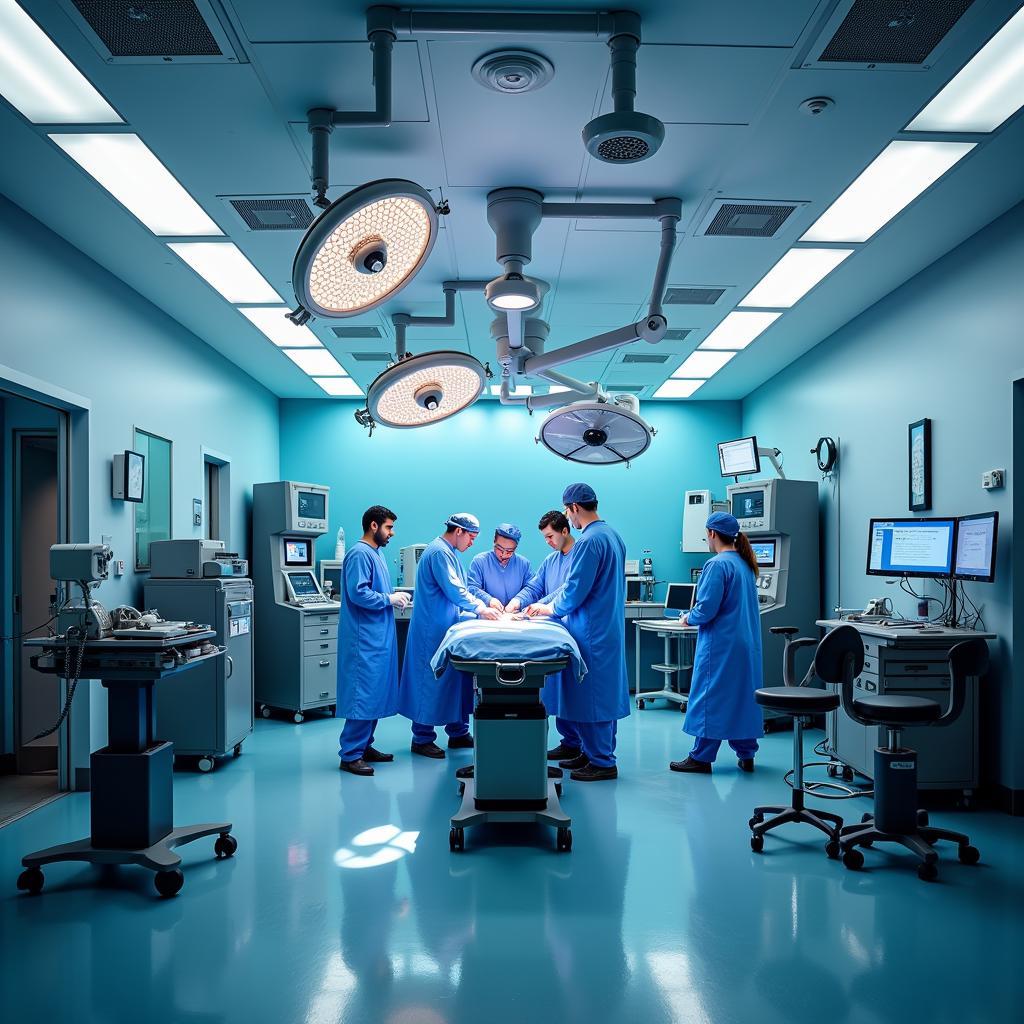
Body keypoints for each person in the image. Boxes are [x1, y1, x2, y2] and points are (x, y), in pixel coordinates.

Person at [527, 484, 628, 781]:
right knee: (600, 696)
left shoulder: (587, 541)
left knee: (593, 697)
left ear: (572, 508)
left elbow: (574, 590)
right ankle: (590, 752)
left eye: (566, 511)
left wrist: (548, 609)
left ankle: (602, 762)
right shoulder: (613, 536)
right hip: (605, 627)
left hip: (591, 631)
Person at [398, 513, 501, 758]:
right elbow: (455, 590)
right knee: (430, 683)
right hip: (431, 631)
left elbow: (461, 589)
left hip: (447, 627)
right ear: (458, 531)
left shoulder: (450, 554)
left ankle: (458, 733)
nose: (472, 543)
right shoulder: (438, 553)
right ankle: (421, 738)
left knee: (455, 681)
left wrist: (479, 608)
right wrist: (480, 609)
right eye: (472, 538)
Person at [670, 510, 764, 774]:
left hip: (721, 646)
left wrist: (687, 617)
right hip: (745, 646)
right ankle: (746, 754)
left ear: (711, 534)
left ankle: (701, 757)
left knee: (711, 698)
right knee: (742, 698)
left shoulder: (717, 564)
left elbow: (706, 609)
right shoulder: (745, 565)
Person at [337, 505, 410, 776]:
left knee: (375, 693)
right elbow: (358, 594)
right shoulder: (359, 554)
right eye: (389, 527)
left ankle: (365, 746)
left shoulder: (376, 554)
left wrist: (393, 596)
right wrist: (388, 599)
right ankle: (350, 754)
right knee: (363, 695)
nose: (392, 533)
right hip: (363, 639)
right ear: (374, 526)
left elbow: (375, 590)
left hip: (377, 636)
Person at [507, 510, 581, 760]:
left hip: (574, 630)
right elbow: (535, 587)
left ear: (564, 530)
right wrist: (518, 601)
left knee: (575, 692)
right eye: (545, 538)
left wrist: (542, 608)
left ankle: (580, 743)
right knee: (558, 690)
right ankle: (569, 741)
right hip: (553, 633)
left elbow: (565, 590)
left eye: (550, 536)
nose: (548, 542)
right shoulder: (551, 560)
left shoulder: (580, 555)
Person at [468, 523, 532, 611]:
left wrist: (518, 601)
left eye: (509, 551)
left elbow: (531, 590)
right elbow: (472, 588)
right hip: (488, 615)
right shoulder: (480, 561)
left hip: (515, 616)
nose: (504, 555)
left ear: (515, 548)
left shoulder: (524, 564)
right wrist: (489, 600)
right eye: (500, 549)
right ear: (494, 541)